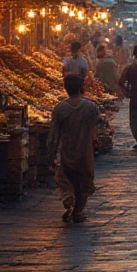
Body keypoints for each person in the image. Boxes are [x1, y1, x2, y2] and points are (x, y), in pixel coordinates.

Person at [47, 75, 101, 223]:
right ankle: (76, 211)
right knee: (83, 182)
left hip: (66, 150)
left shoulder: (60, 108)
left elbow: (54, 135)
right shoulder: (90, 107)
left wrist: (51, 155)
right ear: (81, 87)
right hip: (85, 150)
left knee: (65, 179)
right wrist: (96, 143)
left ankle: (70, 203)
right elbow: (95, 128)